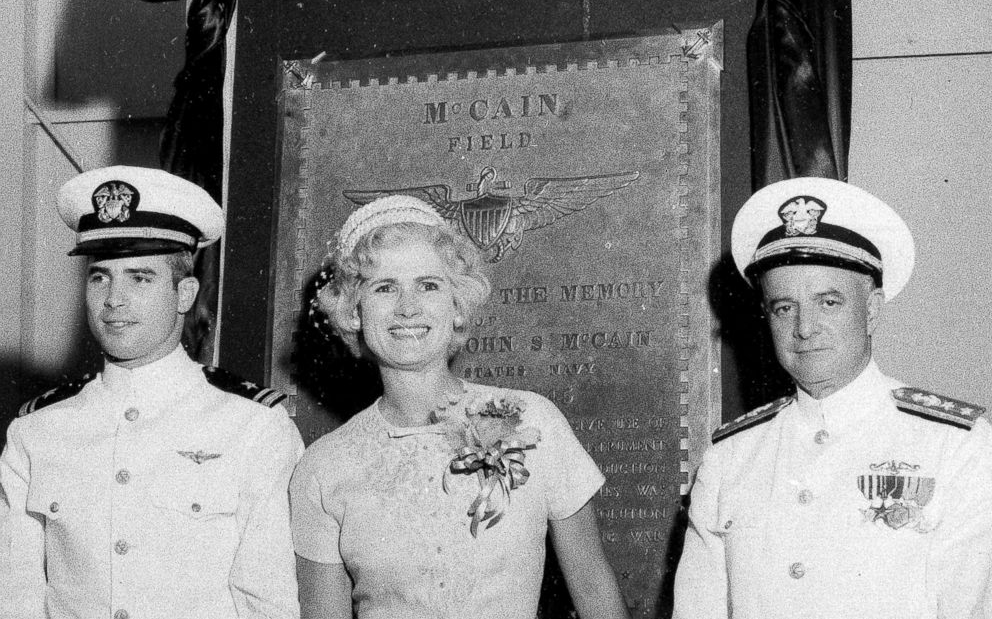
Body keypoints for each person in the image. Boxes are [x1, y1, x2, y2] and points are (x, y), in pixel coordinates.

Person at [290, 194, 629, 619]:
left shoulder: (533, 420)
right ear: (354, 311)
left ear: (457, 305)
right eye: (384, 287)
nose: (408, 307)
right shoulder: (323, 467)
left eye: (428, 285)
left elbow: (595, 592)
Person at [673, 176, 992, 619]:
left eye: (828, 302)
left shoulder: (956, 446)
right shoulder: (731, 458)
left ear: (872, 309)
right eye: (784, 307)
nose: (804, 328)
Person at [0, 166, 303, 619]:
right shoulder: (37, 431)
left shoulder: (254, 427)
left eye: (140, 278)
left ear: (185, 294)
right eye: (100, 277)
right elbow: (15, 597)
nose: (114, 300)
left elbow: (269, 603)